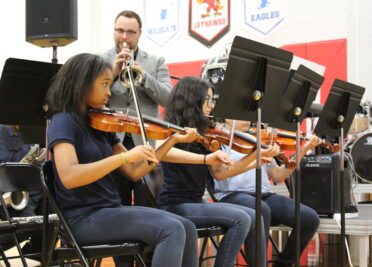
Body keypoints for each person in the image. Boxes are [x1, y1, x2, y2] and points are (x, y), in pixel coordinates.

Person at [45, 53, 206, 267]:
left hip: (109, 211)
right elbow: (69, 176)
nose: (109, 92)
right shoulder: (63, 121)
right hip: (80, 219)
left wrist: (171, 141)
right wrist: (122, 157)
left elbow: (134, 171)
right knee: (171, 229)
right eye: (104, 84)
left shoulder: (99, 122)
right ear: (82, 84)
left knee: (186, 226)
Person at [155, 76, 281, 267]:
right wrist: (204, 158)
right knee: (241, 219)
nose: (212, 106)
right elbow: (162, 153)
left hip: (195, 202)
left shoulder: (205, 132)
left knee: (253, 215)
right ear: (193, 99)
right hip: (174, 205)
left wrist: (254, 158)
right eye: (208, 99)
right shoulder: (168, 130)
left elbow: (221, 173)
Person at [214, 119, 322, 267]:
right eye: (241, 115)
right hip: (232, 195)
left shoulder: (257, 140)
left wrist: (303, 149)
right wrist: (254, 158)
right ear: (227, 116)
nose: (247, 120)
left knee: (309, 219)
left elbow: (278, 175)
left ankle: (283, 264)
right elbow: (220, 173)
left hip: (264, 195)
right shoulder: (218, 141)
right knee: (261, 208)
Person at [101, 10, 173, 205]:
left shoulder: (156, 62)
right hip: (113, 143)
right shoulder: (99, 61)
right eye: (120, 31)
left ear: (139, 33)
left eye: (130, 32)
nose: (124, 37)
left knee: (148, 205)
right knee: (116, 206)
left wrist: (144, 77)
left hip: (146, 142)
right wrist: (113, 74)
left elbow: (168, 98)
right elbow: (89, 98)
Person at [0, 125, 44, 259]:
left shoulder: (36, 136)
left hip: (25, 195)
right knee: (25, 226)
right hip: (4, 194)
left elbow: (40, 171)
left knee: (48, 220)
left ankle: (34, 256)